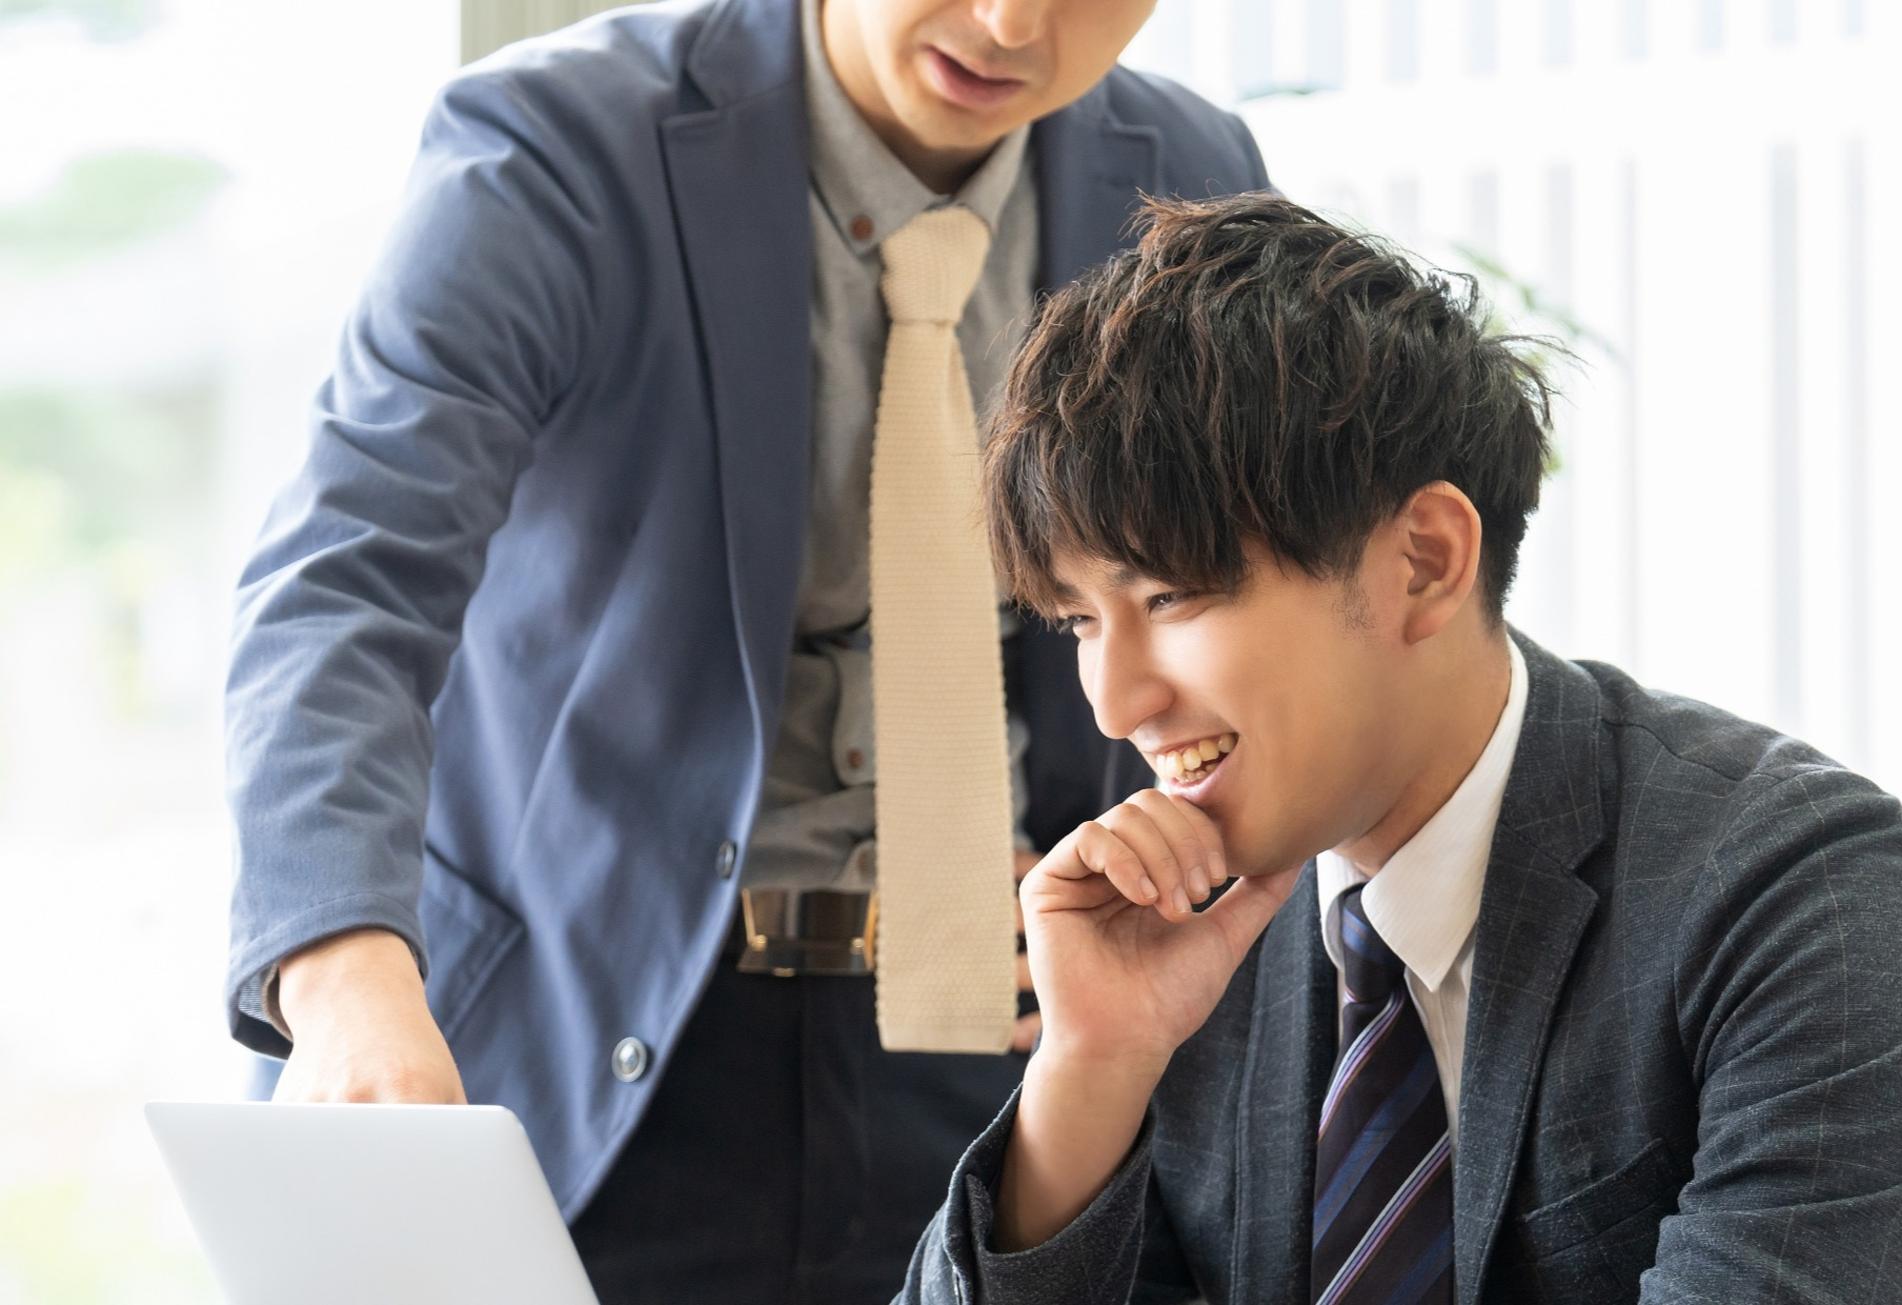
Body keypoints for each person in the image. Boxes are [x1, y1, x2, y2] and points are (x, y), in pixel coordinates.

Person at [220, 0, 1268, 1299]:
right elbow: (349, 581)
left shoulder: (1190, 174)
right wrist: (345, 983)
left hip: (1000, 1048)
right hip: (586, 1053)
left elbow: (1260, 609)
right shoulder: (554, 147)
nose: (1009, 22)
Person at [898, 193, 1902, 1305]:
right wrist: (1089, 1072)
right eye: (1078, 621)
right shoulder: (1176, 927)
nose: (1116, 705)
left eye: (1170, 596)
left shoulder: (1805, 900)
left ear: (1424, 561)